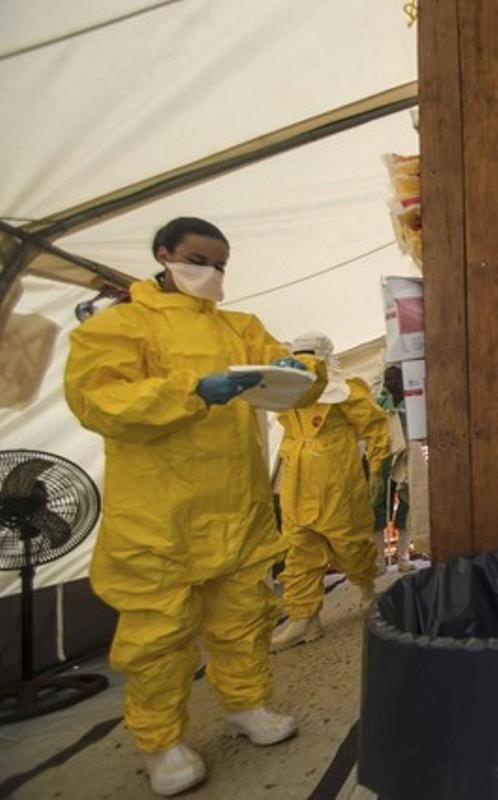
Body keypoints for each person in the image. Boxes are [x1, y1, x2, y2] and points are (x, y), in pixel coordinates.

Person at [63, 217, 326, 796]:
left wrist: (303, 369)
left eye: (222, 264)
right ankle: (161, 742)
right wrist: (189, 391)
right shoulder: (119, 327)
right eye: (201, 260)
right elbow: (100, 402)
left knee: (244, 618)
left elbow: (290, 372)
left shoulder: (240, 327)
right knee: (158, 636)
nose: (213, 274)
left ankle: (247, 705)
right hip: (160, 515)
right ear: (164, 254)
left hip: (237, 506)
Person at [270, 332, 391, 651]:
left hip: (335, 477)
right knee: (298, 547)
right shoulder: (287, 391)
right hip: (296, 477)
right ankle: (304, 618)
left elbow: (376, 424)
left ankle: (366, 590)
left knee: (348, 541)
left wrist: (378, 466)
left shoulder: (345, 389)